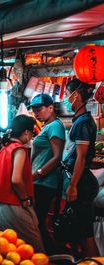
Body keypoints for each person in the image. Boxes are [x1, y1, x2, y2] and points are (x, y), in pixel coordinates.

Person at [0, 115, 45, 253]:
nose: (32, 137)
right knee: (34, 248)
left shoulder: (5, 148)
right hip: (11, 202)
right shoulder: (19, 149)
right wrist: (25, 199)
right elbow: (16, 179)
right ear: (26, 132)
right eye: (32, 133)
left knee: (12, 248)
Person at [61, 79, 99, 257]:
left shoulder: (83, 122)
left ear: (75, 95)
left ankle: (95, 261)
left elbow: (81, 157)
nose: (66, 99)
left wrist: (73, 185)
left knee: (85, 233)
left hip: (82, 183)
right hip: (81, 181)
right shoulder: (81, 120)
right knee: (79, 230)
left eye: (67, 95)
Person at [30, 94, 65, 253]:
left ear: (51, 108)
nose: (36, 113)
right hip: (39, 182)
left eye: (39, 109)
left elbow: (57, 157)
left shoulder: (55, 126)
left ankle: (52, 255)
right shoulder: (48, 126)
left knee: (37, 223)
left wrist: (37, 174)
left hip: (45, 183)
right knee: (37, 222)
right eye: (34, 110)